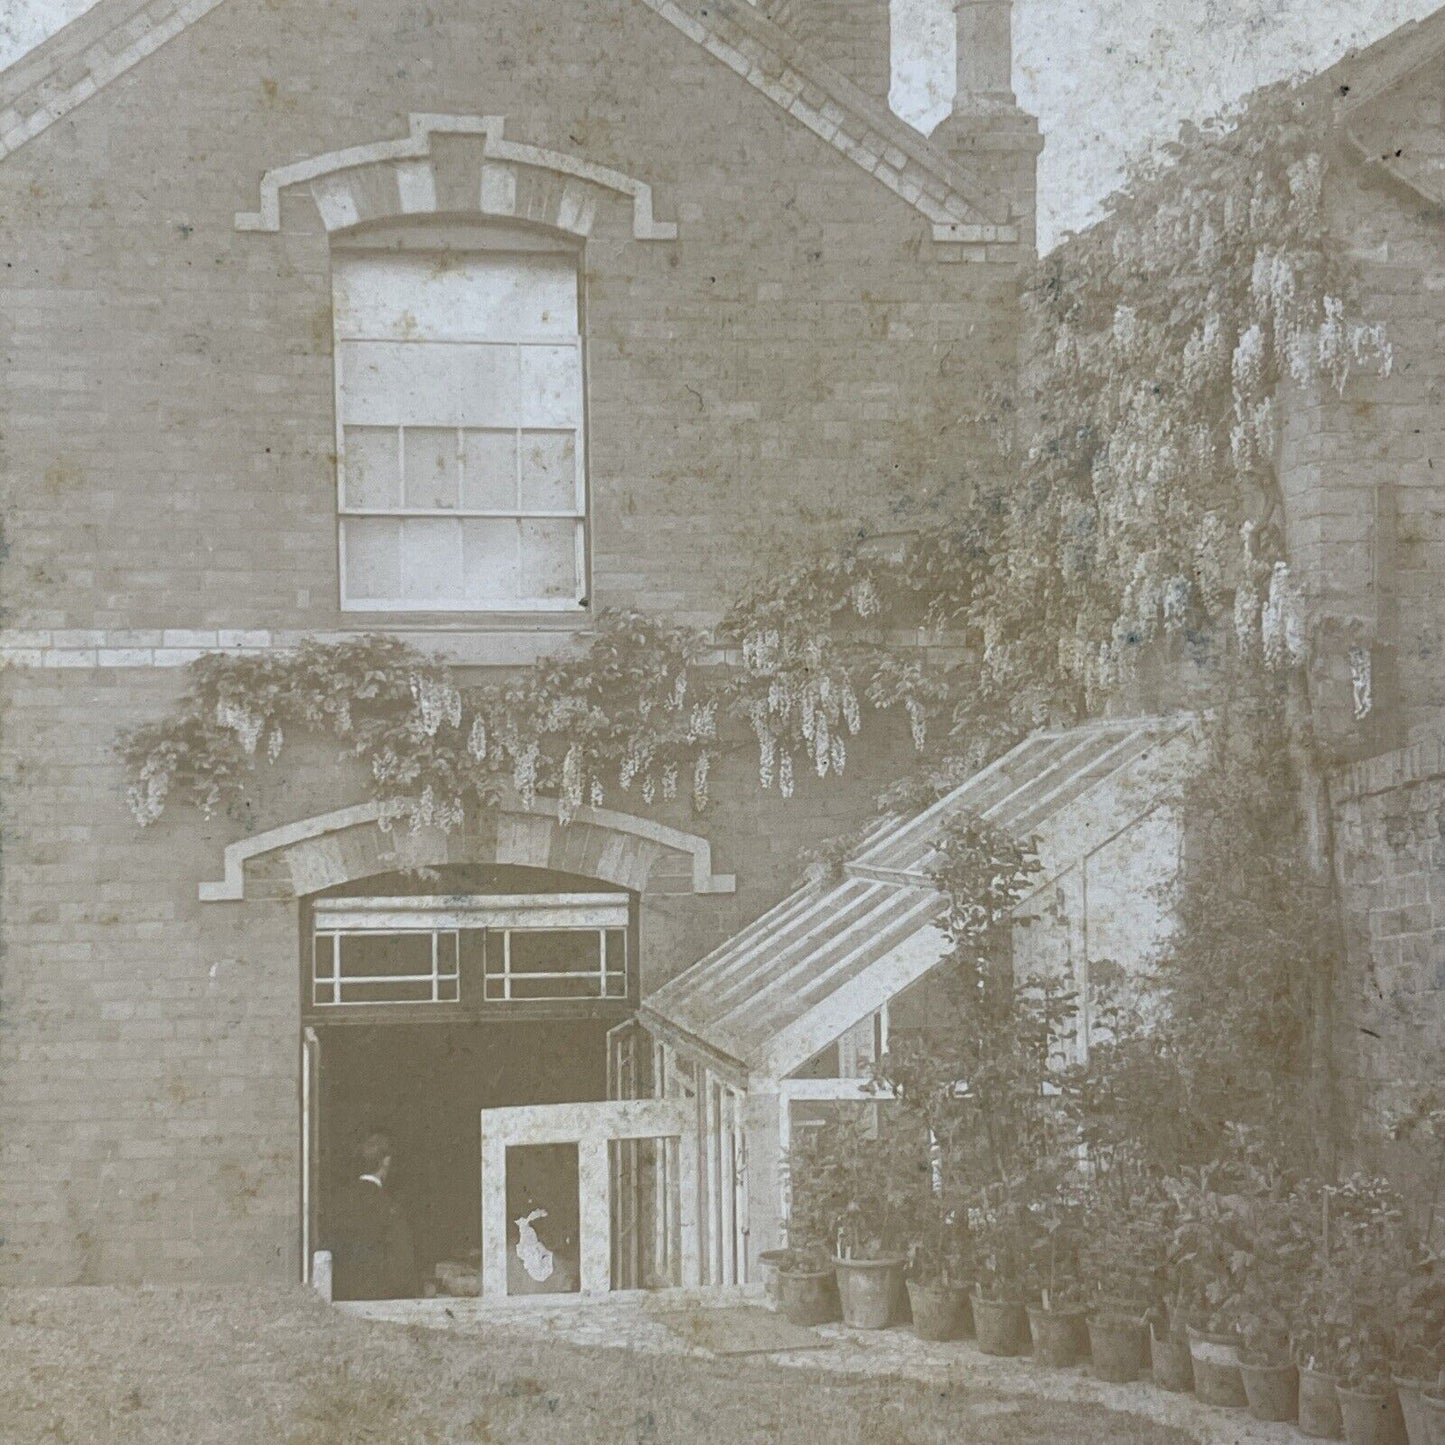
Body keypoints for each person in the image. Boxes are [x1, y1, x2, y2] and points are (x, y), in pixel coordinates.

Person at [328, 1131, 418, 1301]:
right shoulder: (389, 1207)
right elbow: (403, 1266)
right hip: (379, 1299)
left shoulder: (339, 1204)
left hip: (342, 1298)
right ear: (386, 1161)